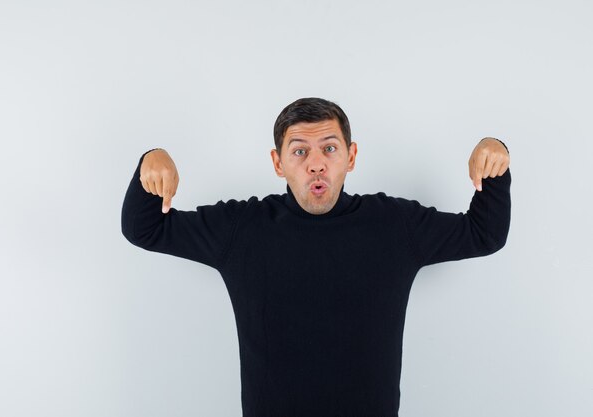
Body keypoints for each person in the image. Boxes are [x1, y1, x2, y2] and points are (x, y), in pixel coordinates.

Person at [121, 97, 511, 417]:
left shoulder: (395, 225)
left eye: (329, 148)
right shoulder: (241, 229)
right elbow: (145, 229)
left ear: (350, 156)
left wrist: (494, 160)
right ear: (278, 163)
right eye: (299, 151)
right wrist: (152, 162)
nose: (316, 163)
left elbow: (484, 234)